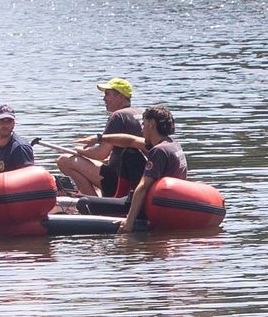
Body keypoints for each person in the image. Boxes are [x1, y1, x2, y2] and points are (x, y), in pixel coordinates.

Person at [57, 77, 144, 197]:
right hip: (137, 176)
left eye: (107, 94)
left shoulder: (118, 116)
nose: (104, 99)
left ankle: (94, 203)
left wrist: (78, 151)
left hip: (119, 179)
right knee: (93, 161)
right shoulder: (141, 113)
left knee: (64, 160)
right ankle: (100, 196)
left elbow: (101, 153)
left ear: (120, 96)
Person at [115, 105, 187, 233]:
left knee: (86, 203)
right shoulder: (173, 145)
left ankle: (122, 204)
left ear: (152, 124)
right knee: (131, 152)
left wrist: (129, 222)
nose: (142, 130)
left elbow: (143, 186)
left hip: (153, 207)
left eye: (144, 124)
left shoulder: (158, 151)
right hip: (169, 204)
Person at [0, 104, 36, 173]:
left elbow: (29, 178)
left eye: (9, 121)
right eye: (1, 121)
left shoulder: (20, 148)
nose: (5, 125)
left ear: (13, 123)